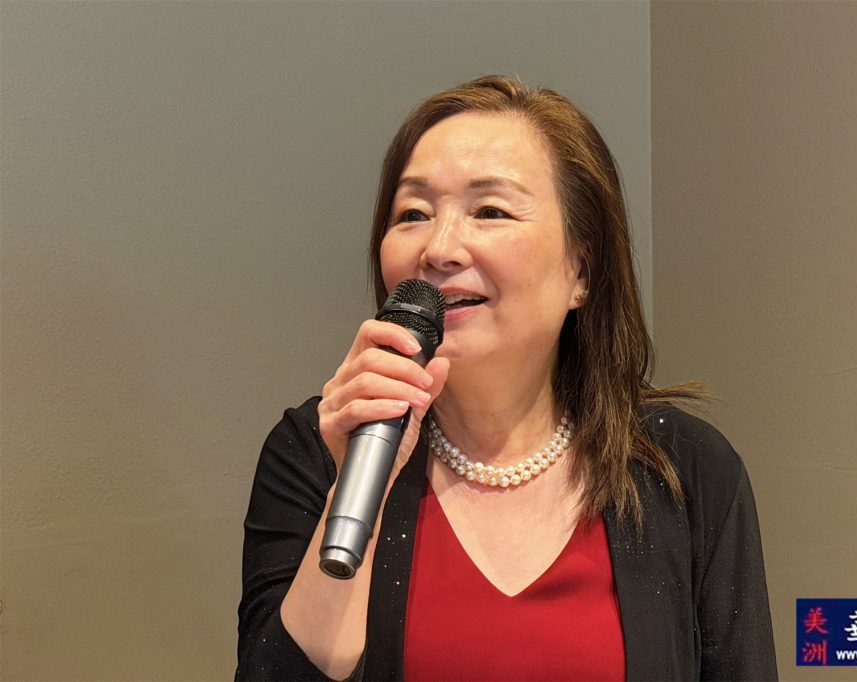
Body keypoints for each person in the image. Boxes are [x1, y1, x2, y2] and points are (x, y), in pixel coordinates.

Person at [236, 75, 777, 681]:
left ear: (581, 270)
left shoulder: (686, 467)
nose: (439, 248)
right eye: (412, 213)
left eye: (489, 211)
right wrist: (357, 489)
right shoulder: (315, 449)